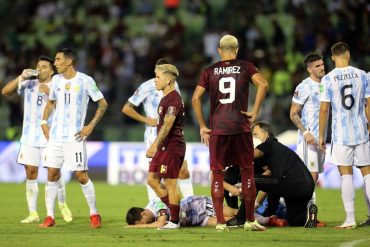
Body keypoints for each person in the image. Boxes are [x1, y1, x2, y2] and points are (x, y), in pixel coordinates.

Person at [192, 34, 268, 232]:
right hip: (241, 127)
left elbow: (195, 99)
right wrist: (255, 111)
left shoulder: (209, 71)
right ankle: (250, 220)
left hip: (218, 129)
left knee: (217, 174)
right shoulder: (245, 66)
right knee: (247, 172)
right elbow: (263, 84)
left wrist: (202, 125)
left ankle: (220, 223)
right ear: (236, 50)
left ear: (219, 51)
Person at [39, 48, 108, 228]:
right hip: (55, 137)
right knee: (51, 174)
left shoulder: (86, 80)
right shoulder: (55, 80)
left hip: (74, 137)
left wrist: (90, 125)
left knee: (81, 175)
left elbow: (102, 103)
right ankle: (50, 217)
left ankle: (94, 213)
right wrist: (44, 122)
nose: (55, 63)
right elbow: (51, 102)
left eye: (58, 59)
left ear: (69, 61)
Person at [1, 56, 72, 224]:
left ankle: (62, 204)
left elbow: (68, 106)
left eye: (45, 67)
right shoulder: (28, 84)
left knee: (54, 173)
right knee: (30, 173)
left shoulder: (59, 85)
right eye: (38, 66)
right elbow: (5, 91)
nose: (40, 69)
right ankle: (33, 212)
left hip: (50, 136)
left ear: (52, 70)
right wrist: (20, 77)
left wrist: (51, 94)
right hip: (29, 137)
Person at [122, 58, 193, 201]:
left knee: (183, 170)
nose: (156, 76)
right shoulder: (147, 86)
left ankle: (191, 203)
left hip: (172, 136)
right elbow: (126, 109)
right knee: (155, 177)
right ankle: (156, 207)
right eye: (156, 73)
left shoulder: (174, 85)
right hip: (154, 136)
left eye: (159, 73)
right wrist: (148, 120)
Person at [318, 42, 370, 229]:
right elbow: (368, 103)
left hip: (340, 135)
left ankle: (350, 219)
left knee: (345, 174)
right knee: (367, 173)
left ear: (332, 57)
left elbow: (324, 110)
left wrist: (321, 135)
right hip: (361, 132)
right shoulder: (362, 75)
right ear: (348, 54)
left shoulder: (327, 79)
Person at [244, 121, 317, 227]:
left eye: (255, 134)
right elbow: (271, 186)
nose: (253, 137)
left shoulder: (269, 143)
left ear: (266, 134)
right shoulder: (279, 151)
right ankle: (309, 217)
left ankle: (246, 216)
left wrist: (238, 150)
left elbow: (254, 154)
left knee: (254, 180)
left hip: (291, 184)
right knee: (296, 224)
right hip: (306, 186)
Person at [145, 63, 185, 230]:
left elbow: (168, 125)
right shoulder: (164, 98)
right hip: (164, 147)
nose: (155, 80)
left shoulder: (174, 99)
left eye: (158, 77)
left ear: (168, 80)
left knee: (170, 183)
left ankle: (175, 221)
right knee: (152, 180)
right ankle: (176, 212)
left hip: (172, 147)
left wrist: (154, 144)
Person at [290, 52, 326, 208]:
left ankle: (304, 210)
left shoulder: (326, 83)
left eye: (322, 64)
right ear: (310, 69)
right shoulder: (304, 86)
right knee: (310, 175)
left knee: (315, 175)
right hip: (309, 137)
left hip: (322, 137)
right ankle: (310, 213)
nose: (322, 68)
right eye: (317, 66)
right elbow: (293, 113)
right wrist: (306, 132)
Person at [125, 195, 236, 228]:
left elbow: (161, 223)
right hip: (197, 220)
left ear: (143, 214)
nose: (147, 224)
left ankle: (251, 210)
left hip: (199, 205)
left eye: (144, 222)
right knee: (228, 222)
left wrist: (135, 227)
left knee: (233, 213)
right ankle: (252, 219)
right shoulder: (151, 212)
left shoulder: (157, 205)